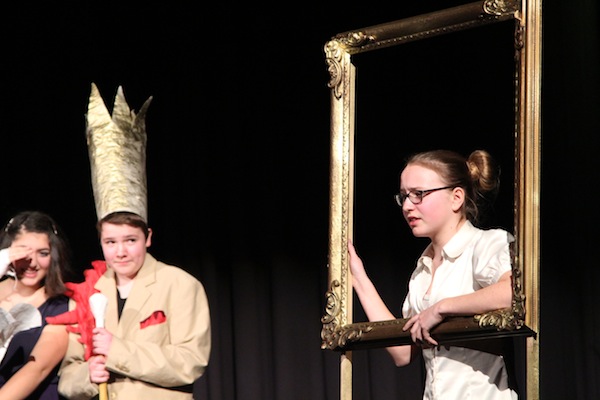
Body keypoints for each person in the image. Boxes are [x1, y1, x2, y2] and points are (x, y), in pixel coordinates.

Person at [348, 149, 518, 399]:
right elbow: (403, 352)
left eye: (419, 194)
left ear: (456, 198)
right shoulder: (422, 270)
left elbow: (514, 292)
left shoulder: (485, 244)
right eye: (404, 196)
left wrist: (441, 308)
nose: (408, 206)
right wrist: (359, 279)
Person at [54, 211, 211, 399]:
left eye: (130, 240)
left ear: (148, 238)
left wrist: (117, 350)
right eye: (110, 242)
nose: (121, 253)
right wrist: (87, 376)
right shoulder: (89, 292)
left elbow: (190, 362)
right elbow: (67, 378)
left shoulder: (179, 284)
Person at [0, 211, 72, 399]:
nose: (32, 262)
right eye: (23, 251)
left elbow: (37, 368)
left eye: (43, 253)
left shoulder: (61, 306)